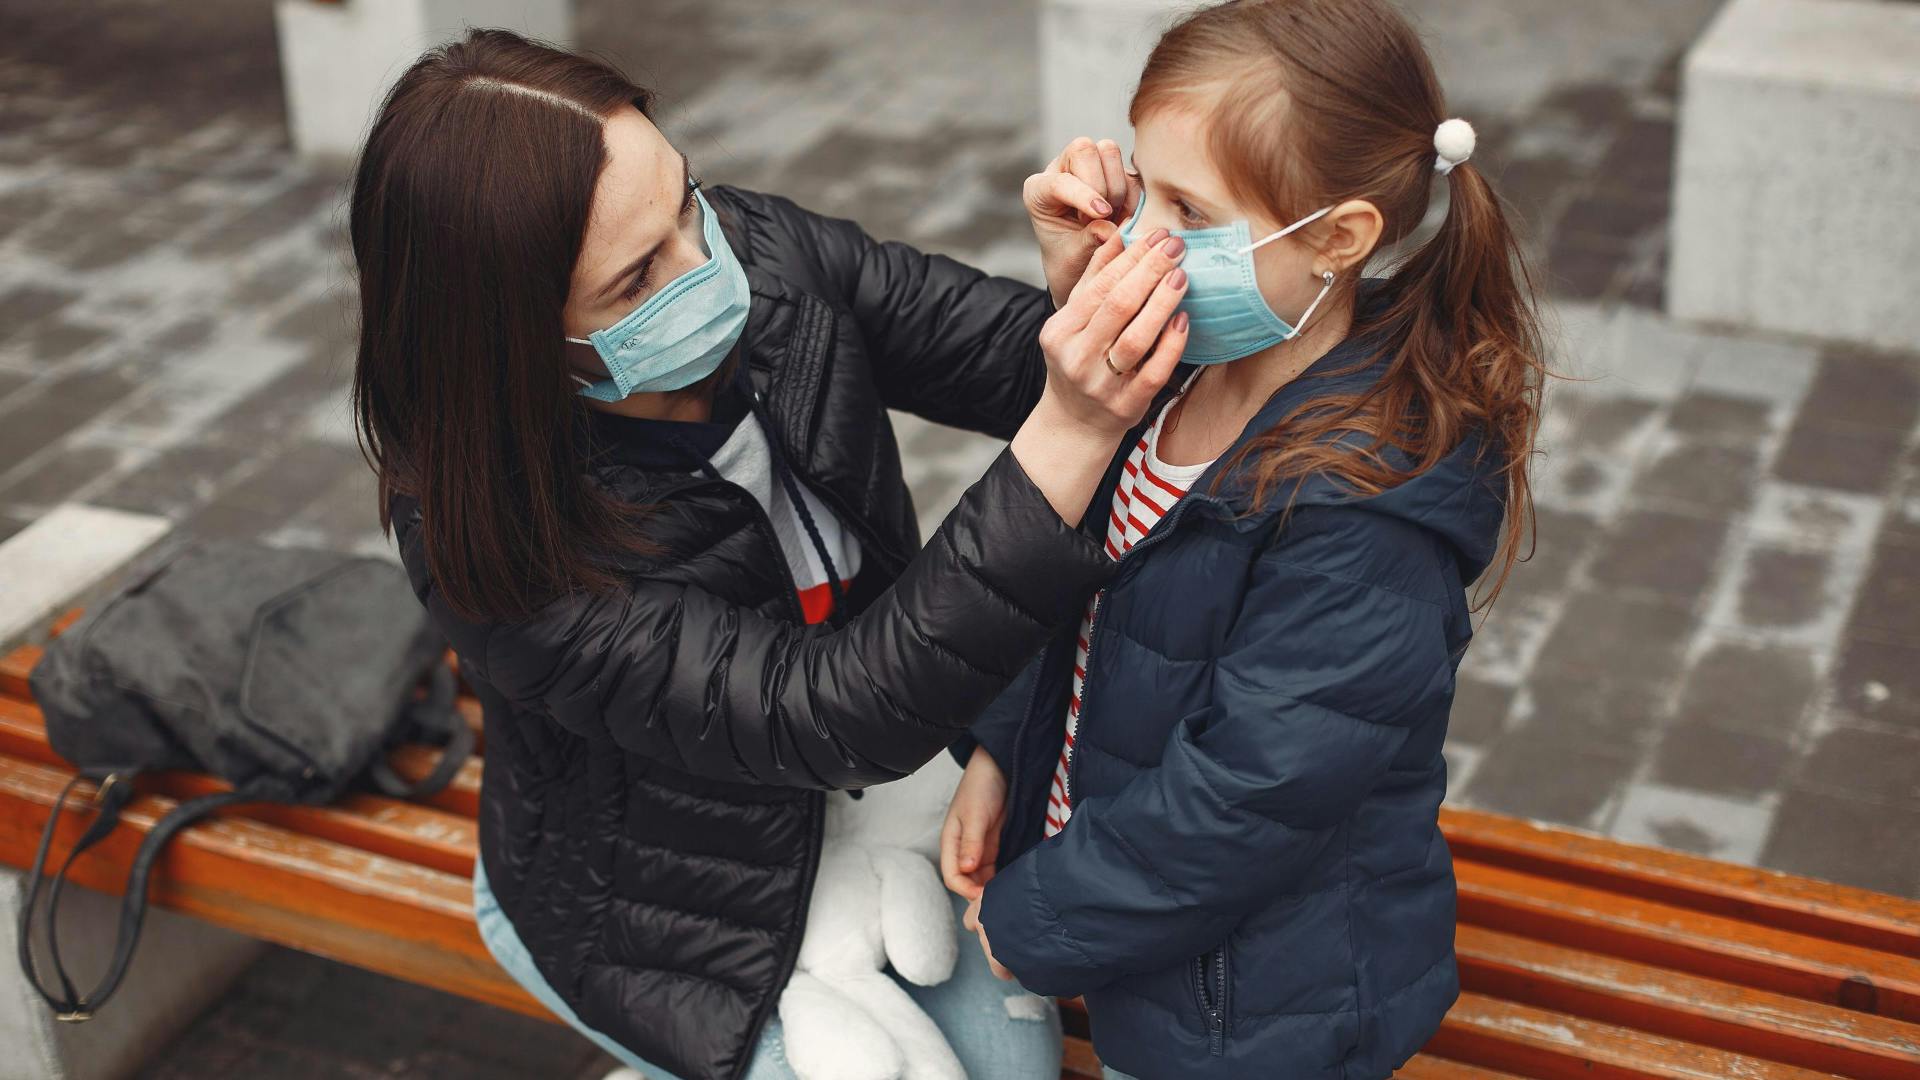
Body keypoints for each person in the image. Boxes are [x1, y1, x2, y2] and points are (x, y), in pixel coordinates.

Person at [350, 30, 1191, 1080]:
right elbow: (829, 711)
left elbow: (1010, 365)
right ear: (513, 342)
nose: (707, 266)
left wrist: (1085, 299)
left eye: (684, 199)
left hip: (864, 796)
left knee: (1013, 1062)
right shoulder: (493, 538)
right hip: (663, 901)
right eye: (635, 281)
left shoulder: (756, 252)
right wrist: (1070, 427)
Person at [940, 1, 1546, 1077]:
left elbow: (1249, 794)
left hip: (1256, 1012)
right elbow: (1072, 590)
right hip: (1132, 928)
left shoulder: (1370, 501)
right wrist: (1002, 752)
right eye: (1144, 186)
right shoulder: (1174, 368)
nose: (1143, 236)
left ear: (1338, 239)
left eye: (1189, 208)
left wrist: (1043, 916)